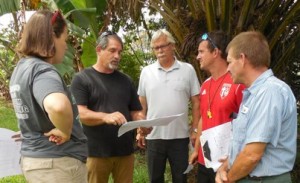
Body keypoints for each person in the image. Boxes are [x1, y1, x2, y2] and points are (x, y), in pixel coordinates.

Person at [9, 10, 88, 183]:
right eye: (64, 39)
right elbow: (57, 106)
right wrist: (64, 131)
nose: (66, 46)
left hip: (35, 161)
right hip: (58, 164)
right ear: (52, 36)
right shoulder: (43, 70)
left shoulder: (21, 69)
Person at [215, 31, 297, 183]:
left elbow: (252, 155)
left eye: (230, 62)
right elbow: (245, 145)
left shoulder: (269, 92)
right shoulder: (255, 94)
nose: (227, 69)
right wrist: (225, 166)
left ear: (242, 59)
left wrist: (228, 179)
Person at [70, 31, 144, 183]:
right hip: (96, 153)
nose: (117, 56)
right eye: (112, 50)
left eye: (119, 52)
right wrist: (105, 116)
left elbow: (135, 111)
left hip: (125, 152)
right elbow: (81, 114)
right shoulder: (82, 79)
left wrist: (142, 122)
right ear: (99, 50)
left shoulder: (126, 80)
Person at [136, 29, 200, 183]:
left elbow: (197, 101)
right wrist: (140, 130)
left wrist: (196, 129)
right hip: (154, 137)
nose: (160, 50)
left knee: (180, 178)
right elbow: (141, 105)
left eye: (163, 46)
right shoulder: (146, 72)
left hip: (180, 137)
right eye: (156, 47)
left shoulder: (187, 70)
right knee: (155, 179)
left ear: (172, 46)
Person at [188, 31, 245, 183]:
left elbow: (246, 124)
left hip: (225, 163)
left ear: (215, 52)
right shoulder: (205, 85)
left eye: (201, 51)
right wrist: (196, 149)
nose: (198, 56)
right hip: (204, 160)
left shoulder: (237, 83)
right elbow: (203, 119)